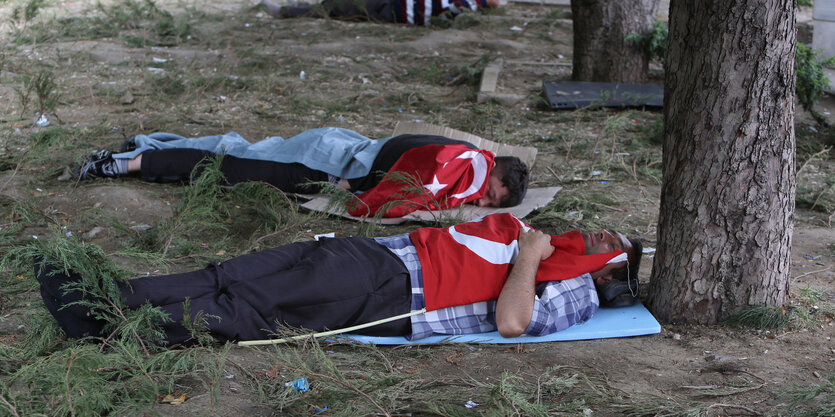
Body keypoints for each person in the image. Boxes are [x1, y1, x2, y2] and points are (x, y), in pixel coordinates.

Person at [36, 213, 642, 346]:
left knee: (249, 305)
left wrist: (530, 259)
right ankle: (106, 296)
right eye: (610, 230)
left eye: (616, 245)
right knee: (231, 273)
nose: (603, 236)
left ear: (616, 273)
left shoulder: (575, 292)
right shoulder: (539, 237)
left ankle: (108, 328)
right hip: (380, 256)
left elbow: (513, 322)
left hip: (395, 293)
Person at [76, 127, 529, 217]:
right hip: (324, 161)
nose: (481, 202)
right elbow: (397, 177)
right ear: (494, 171)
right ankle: (124, 163)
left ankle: (151, 144)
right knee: (227, 166)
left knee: (238, 150)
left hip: (333, 147)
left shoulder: (464, 156)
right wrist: (351, 188)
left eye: (489, 204)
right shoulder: (456, 165)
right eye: (489, 194)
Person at [260, 0, 502, 26]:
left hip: (395, 10)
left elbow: (442, 20)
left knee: (345, 8)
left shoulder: (468, 6)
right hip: (396, 5)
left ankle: (286, 11)